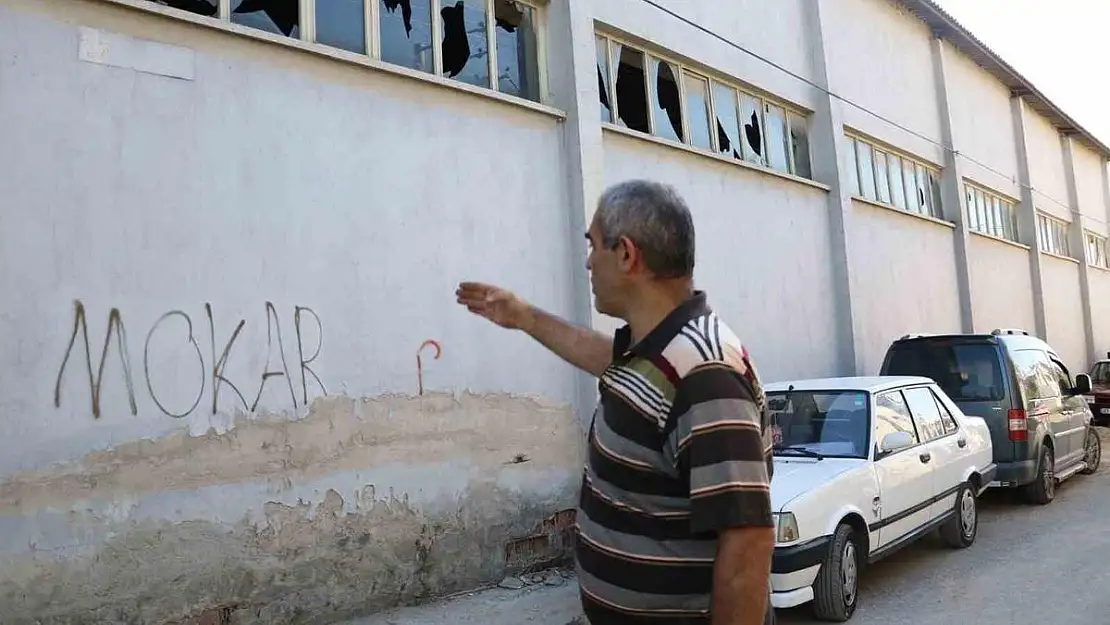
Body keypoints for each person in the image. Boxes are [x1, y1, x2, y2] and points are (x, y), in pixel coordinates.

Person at [456, 179, 775, 625]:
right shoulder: (653, 353)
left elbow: (747, 545)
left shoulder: (706, 373)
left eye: (593, 246)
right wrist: (524, 317)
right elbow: (599, 355)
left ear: (626, 254)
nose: (588, 262)